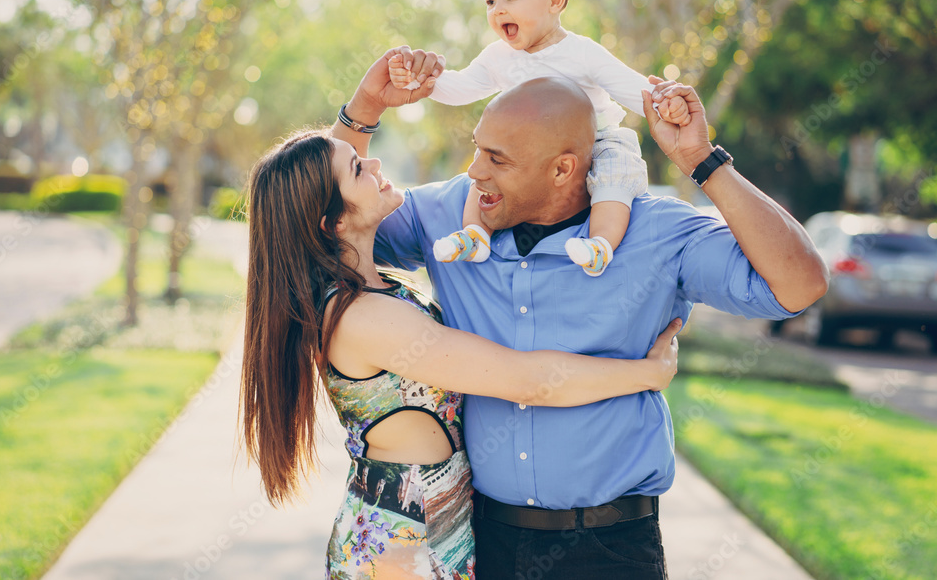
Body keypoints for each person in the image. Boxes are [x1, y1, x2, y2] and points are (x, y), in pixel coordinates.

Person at [337, 47, 829, 579]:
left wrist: (701, 162)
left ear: (564, 168)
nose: (476, 171)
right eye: (478, 150)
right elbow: (331, 216)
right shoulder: (449, 213)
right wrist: (366, 106)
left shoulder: (657, 233)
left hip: (610, 551)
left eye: (498, 159)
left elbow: (799, 287)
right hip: (485, 543)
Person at [237, 122, 682, 578]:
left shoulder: (373, 288)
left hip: (433, 527)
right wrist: (647, 375)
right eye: (357, 169)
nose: (372, 162)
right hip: (402, 547)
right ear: (332, 222)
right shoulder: (361, 317)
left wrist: (368, 103)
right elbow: (527, 380)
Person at [389, 0, 691, 277]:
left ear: (555, 1)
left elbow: (631, 87)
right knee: (486, 171)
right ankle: (475, 235)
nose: (498, 10)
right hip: (524, 153)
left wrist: (667, 103)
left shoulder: (581, 53)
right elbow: (462, 88)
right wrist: (423, 81)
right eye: (490, 1)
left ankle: (600, 245)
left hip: (596, 140)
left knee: (615, 178)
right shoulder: (497, 57)